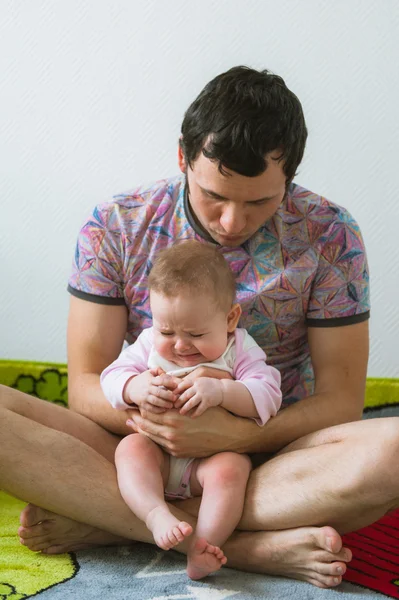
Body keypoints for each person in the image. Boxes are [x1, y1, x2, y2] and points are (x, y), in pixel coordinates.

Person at [1, 65, 398, 590]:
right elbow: (85, 387)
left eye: (260, 201)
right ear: (184, 157)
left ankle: (110, 520)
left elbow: (341, 402)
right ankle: (232, 546)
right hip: (136, 447)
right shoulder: (116, 224)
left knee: (392, 449)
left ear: (291, 179)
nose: (232, 222)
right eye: (215, 195)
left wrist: (232, 431)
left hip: (270, 460)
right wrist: (159, 423)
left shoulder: (330, 235)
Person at [100, 241, 282, 579]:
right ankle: (155, 515)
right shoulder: (147, 344)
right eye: (166, 331)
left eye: (196, 333)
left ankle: (204, 546)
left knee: (232, 469)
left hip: (206, 465)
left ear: (230, 319)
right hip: (157, 455)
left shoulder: (239, 348)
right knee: (130, 448)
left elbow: (269, 394)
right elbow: (110, 377)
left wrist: (223, 391)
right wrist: (134, 387)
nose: (180, 345)